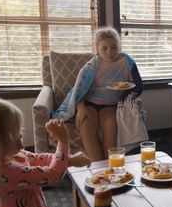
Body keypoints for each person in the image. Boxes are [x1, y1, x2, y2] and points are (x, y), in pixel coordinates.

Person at [52, 27, 143, 161]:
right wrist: (81, 107)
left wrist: (127, 97)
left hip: (111, 105)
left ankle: (110, 164)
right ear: (97, 48)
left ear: (119, 46)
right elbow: (79, 89)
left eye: (114, 47)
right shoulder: (92, 65)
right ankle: (97, 166)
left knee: (111, 126)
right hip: (90, 104)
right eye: (104, 48)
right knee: (86, 124)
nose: (110, 52)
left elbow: (138, 85)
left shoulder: (127, 62)